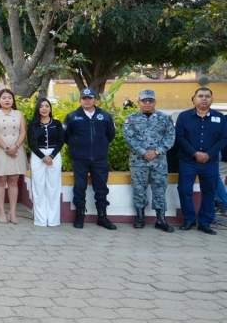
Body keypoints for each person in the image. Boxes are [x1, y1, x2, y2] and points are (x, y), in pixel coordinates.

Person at [122, 89, 176, 232]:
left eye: (150, 100)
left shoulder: (165, 118)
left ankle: (161, 219)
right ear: (139, 102)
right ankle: (140, 217)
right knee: (139, 189)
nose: (147, 103)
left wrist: (157, 151)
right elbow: (129, 138)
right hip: (138, 161)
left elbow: (170, 138)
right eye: (144, 100)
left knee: (159, 189)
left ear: (154, 102)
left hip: (159, 161)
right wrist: (143, 152)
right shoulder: (131, 119)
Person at [175, 87, 227, 234]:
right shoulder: (184, 117)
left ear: (212, 99)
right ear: (194, 98)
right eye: (200, 96)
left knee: (209, 191)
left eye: (207, 96)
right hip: (188, 161)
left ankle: (205, 222)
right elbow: (179, 137)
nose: (204, 99)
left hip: (210, 162)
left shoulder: (220, 117)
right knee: (185, 190)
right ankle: (189, 219)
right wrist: (194, 153)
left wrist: (208, 154)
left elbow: (224, 138)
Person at [64, 87, 116, 229]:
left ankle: (102, 217)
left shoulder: (105, 116)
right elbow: (66, 137)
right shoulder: (72, 117)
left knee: (101, 189)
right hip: (80, 159)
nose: (87, 101)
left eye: (90, 98)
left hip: (100, 158)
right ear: (80, 100)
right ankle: (79, 216)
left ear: (95, 100)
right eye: (84, 98)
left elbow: (110, 135)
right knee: (79, 188)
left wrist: (100, 147)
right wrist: (77, 148)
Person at [0, 88, 27, 224]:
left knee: (14, 181)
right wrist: (6, 147)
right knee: (1, 181)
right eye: (4, 98)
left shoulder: (19, 114)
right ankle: (1, 212)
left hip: (16, 150)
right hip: (0, 150)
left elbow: (22, 132)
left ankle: (13, 212)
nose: (7, 100)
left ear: (13, 100)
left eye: (9, 97)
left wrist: (15, 146)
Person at [27, 98, 64, 227]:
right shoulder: (32, 124)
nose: (44, 108)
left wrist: (52, 156)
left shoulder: (57, 124)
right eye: (41, 106)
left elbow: (61, 142)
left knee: (53, 188)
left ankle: (53, 220)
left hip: (54, 156)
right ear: (38, 108)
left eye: (46, 106)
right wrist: (43, 156)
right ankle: (40, 219)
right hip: (38, 157)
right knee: (38, 187)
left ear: (50, 108)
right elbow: (31, 143)